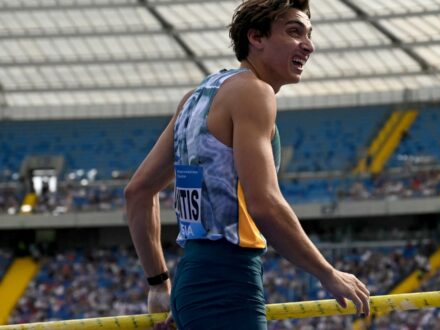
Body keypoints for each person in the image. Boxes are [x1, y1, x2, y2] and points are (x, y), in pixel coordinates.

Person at [124, 0, 370, 329]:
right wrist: (327, 272)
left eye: (309, 35)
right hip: (228, 281)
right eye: (294, 32)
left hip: (193, 283)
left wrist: (159, 284)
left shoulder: (195, 97)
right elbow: (264, 203)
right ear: (256, 38)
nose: (309, 45)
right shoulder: (254, 92)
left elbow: (138, 192)